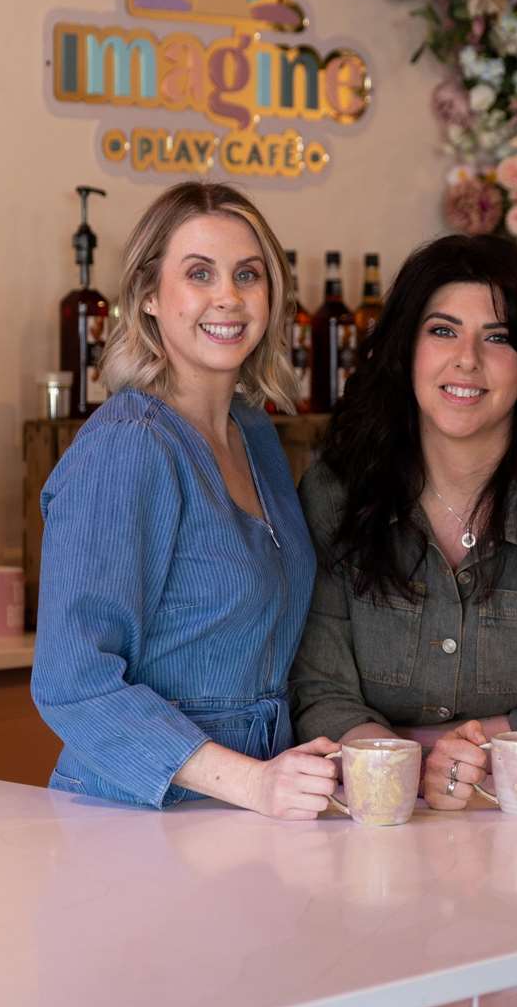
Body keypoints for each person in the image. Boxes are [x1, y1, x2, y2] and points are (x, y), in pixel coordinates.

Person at [289, 233, 517, 810]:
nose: (467, 359)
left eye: (499, 338)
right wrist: (413, 768)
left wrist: (422, 757)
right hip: (373, 823)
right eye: (442, 331)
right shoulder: (338, 494)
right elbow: (319, 694)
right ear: (405, 351)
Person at [32, 181, 338, 817]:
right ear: (149, 295)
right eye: (199, 273)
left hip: (252, 813)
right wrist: (255, 784)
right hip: (136, 817)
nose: (228, 296)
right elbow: (73, 682)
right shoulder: (128, 445)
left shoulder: (254, 434)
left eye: (248, 274)